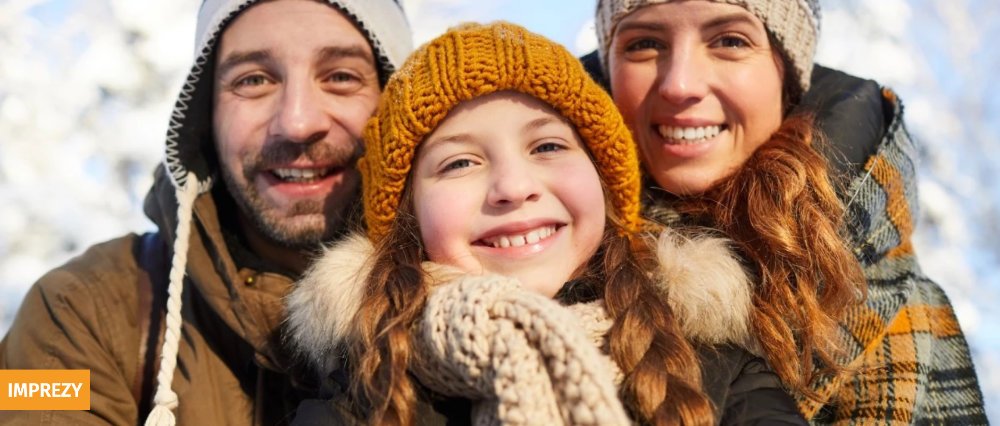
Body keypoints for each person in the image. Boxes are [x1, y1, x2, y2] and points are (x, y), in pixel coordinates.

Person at [284, 21, 808, 426]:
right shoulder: (362, 395)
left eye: (548, 146)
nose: (514, 186)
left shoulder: (718, 369)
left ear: (604, 183)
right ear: (409, 219)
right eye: (460, 163)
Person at [0, 0, 412, 424]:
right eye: (253, 79)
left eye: (341, 77)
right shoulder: (77, 309)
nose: (296, 122)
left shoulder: (468, 296)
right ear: (205, 115)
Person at [586, 0, 988, 424]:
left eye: (729, 40)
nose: (679, 84)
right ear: (607, 68)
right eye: (645, 43)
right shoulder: (535, 250)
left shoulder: (892, 311)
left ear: (788, 75)